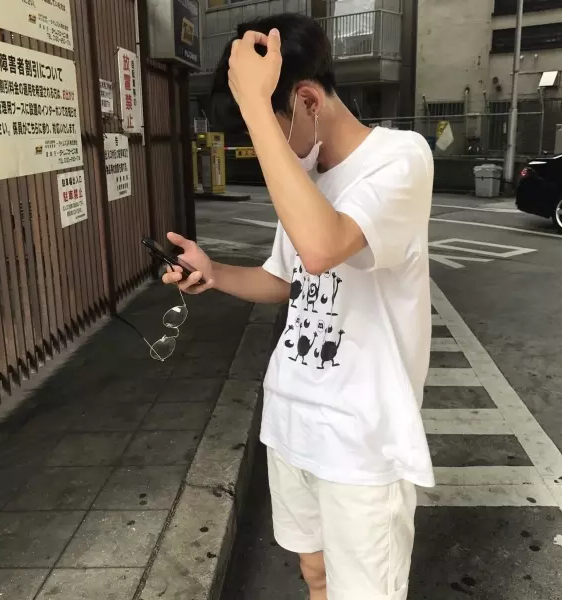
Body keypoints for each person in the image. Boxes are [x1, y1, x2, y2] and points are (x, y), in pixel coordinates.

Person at [163, 13, 434, 600]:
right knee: (315, 574)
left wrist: (257, 105)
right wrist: (216, 273)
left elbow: (322, 247)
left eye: (267, 128)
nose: (264, 152)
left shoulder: (401, 157)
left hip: (362, 441)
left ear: (308, 100)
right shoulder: (306, 178)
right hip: (291, 422)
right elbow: (285, 279)